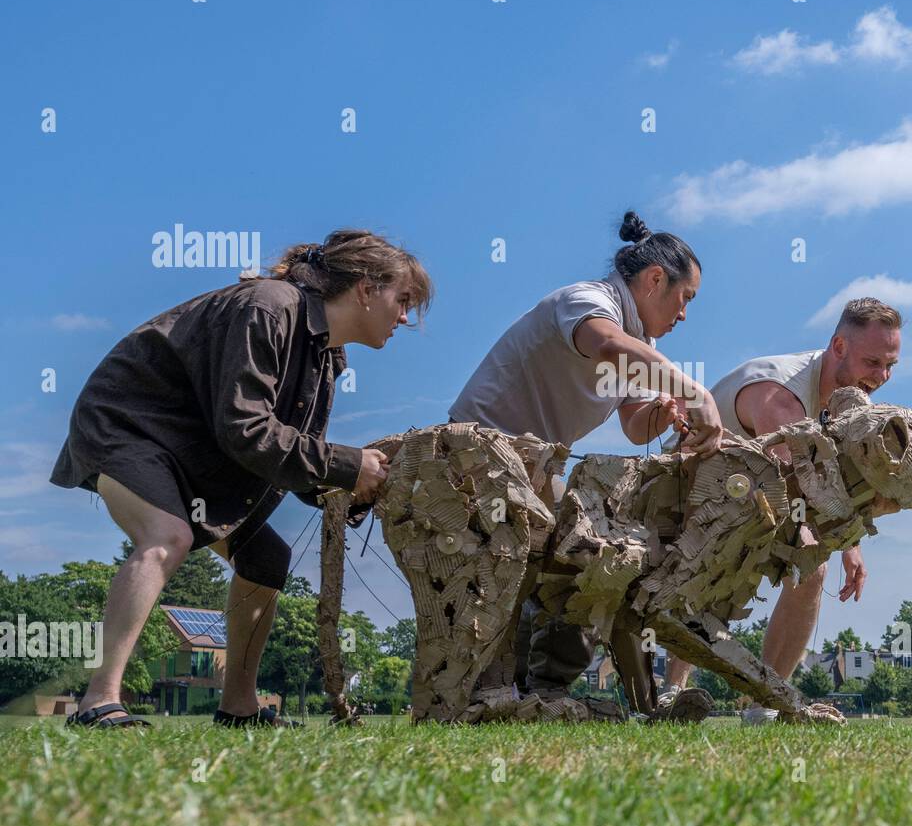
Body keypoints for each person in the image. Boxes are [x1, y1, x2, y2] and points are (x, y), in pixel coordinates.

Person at [50, 229, 431, 728]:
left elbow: (284, 456)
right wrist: (345, 464)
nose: (404, 318)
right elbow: (246, 429)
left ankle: (239, 709)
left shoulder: (325, 355)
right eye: (402, 301)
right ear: (365, 288)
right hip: (128, 423)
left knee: (267, 558)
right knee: (167, 536)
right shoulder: (270, 307)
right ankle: (98, 701)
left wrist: (355, 486)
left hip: (195, 451)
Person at [448, 210, 723, 716]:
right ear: (655, 279)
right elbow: (607, 345)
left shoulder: (645, 344)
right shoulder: (589, 300)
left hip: (533, 467)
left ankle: (538, 691)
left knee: (587, 562)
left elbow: (634, 426)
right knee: (541, 566)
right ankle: (496, 692)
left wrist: (664, 412)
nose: (685, 314)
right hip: (476, 455)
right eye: (686, 299)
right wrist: (695, 392)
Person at [659, 297, 903, 723]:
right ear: (839, 347)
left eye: (890, 365)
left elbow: (827, 482)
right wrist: (842, 537)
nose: (881, 377)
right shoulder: (782, 395)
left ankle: (764, 704)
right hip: (681, 495)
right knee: (723, 561)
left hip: (754, 495)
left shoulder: (846, 403)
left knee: (812, 568)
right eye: (873, 362)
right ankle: (669, 693)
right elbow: (806, 487)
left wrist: (851, 545)